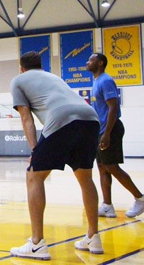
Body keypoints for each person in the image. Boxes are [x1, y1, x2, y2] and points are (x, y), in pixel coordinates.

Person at [9, 51, 103, 260]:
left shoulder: (18, 80)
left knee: (34, 176)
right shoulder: (54, 77)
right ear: (40, 66)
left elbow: (26, 119)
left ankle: (36, 243)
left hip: (62, 118)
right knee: (85, 177)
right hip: (90, 119)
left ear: (22, 68)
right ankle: (93, 236)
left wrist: (35, 151)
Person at [86, 53, 144, 218]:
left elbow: (113, 107)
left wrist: (107, 133)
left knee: (112, 166)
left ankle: (141, 199)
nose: (87, 62)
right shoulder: (96, 82)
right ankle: (107, 206)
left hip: (111, 129)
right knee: (102, 168)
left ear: (100, 63)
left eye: (91, 59)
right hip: (101, 130)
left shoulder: (106, 80)